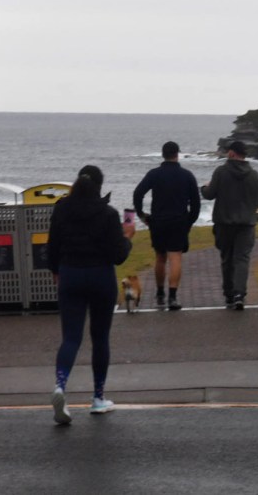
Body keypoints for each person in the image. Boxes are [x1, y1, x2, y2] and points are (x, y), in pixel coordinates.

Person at [47, 165, 134, 425]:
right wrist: (127, 236)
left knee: (71, 338)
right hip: (100, 278)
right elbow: (118, 255)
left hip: (70, 275)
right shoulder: (108, 214)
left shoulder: (61, 209)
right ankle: (98, 399)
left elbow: (52, 245)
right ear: (99, 186)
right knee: (100, 338)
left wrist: (55, 270)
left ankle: (60, 387)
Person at [132, 141, 200, 311]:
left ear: (163, 154)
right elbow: (196, 203)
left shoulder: (154, 174)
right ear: (178, 153)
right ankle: (173, 297)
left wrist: (141, 214)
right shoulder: (187, 175)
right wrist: (189, 221)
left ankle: (160, 293)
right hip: (179, 221)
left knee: (160, 258)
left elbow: (138, 193)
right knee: (175, 257)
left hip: (158, 221)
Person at [200, 141, 258, 310]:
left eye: (229, 151)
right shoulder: (255, 175)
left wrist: (203, 187)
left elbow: (209, 194)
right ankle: (239, 295)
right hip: (247, 224)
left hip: (224, 223)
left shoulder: (221, 172)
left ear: (232, 153)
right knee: (242, 259)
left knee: (227, 258)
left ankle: (229, 294)